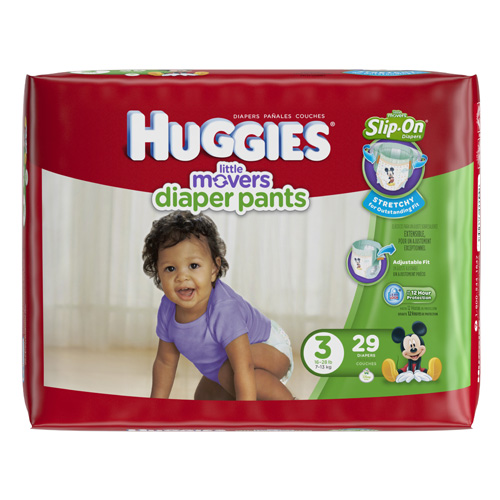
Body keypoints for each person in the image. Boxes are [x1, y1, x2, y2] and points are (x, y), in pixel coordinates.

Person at [143, 211, 294, 401]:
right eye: (170, 268)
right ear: (158, 272)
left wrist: (245, 414)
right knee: (203, 399)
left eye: (194, 266)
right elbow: (165, 362)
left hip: (270, 349)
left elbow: (243, 367)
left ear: (214, 269)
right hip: (225, 364)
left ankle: (289, 406)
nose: (182, 277)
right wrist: (156, 408)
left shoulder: (224, 310)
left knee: (231, 373)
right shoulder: (168, 307)